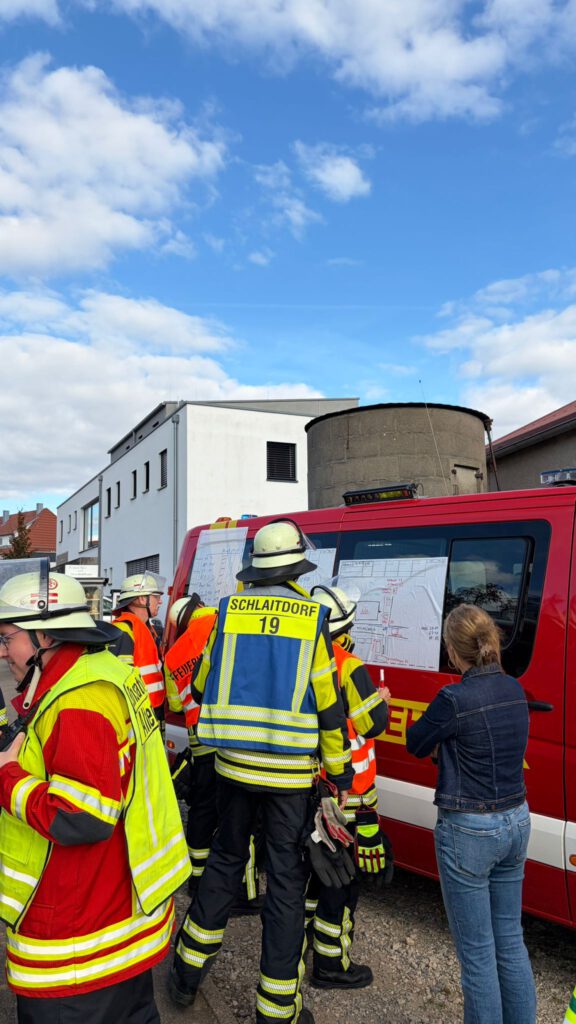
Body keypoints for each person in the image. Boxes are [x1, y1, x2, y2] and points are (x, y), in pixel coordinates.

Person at [169, 519, 353, 1024]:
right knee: (287, 885)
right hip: (289, 781)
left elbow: (201, 687)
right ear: (296, 569)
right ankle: (276, 1011)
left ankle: (185, 975)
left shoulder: (228, 612)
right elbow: (329, 708)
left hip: (232, 769)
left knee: (225, 863)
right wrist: (340, 776)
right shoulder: (311, 619)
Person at [0, 560, 190, 1024]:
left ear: (46, 637)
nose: (3, 652)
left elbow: (82, 817)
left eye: (7, 638)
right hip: (117, 917)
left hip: (77, 944)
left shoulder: (78, 702)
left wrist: (7, 778)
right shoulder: (99, 671)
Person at [406, 603, 536, 1024]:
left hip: (470, 830)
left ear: (452, 651)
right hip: (516, 820)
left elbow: (415, 742)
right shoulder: (515, 689)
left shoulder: (452, 699)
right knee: (510, 941)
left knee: (478, 956)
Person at [306, 584, 392, 990]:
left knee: (312, 876)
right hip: (348, 797)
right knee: (341, 884)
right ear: (346, 627)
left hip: (310, 791)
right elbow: (373, 723)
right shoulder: (347, 664)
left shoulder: (299, 657)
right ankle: (330, 964)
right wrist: (380, 700)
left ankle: (304, 946)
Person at [166, 593, 263, 909]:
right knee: (239, 814)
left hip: (199, 741)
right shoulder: (223, 621)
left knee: (202, 810)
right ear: (199, 607)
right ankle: (243, 892)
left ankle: (197, 880)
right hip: (229, 734)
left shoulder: (173, 655)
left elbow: (176, 703)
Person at [110, 572, 165, 716]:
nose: (160, 602)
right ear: (142, 599)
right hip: (137, 714)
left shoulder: (146, 628)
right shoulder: (123, 630)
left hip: (151, 709)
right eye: (156, 596)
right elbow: (120, 681)